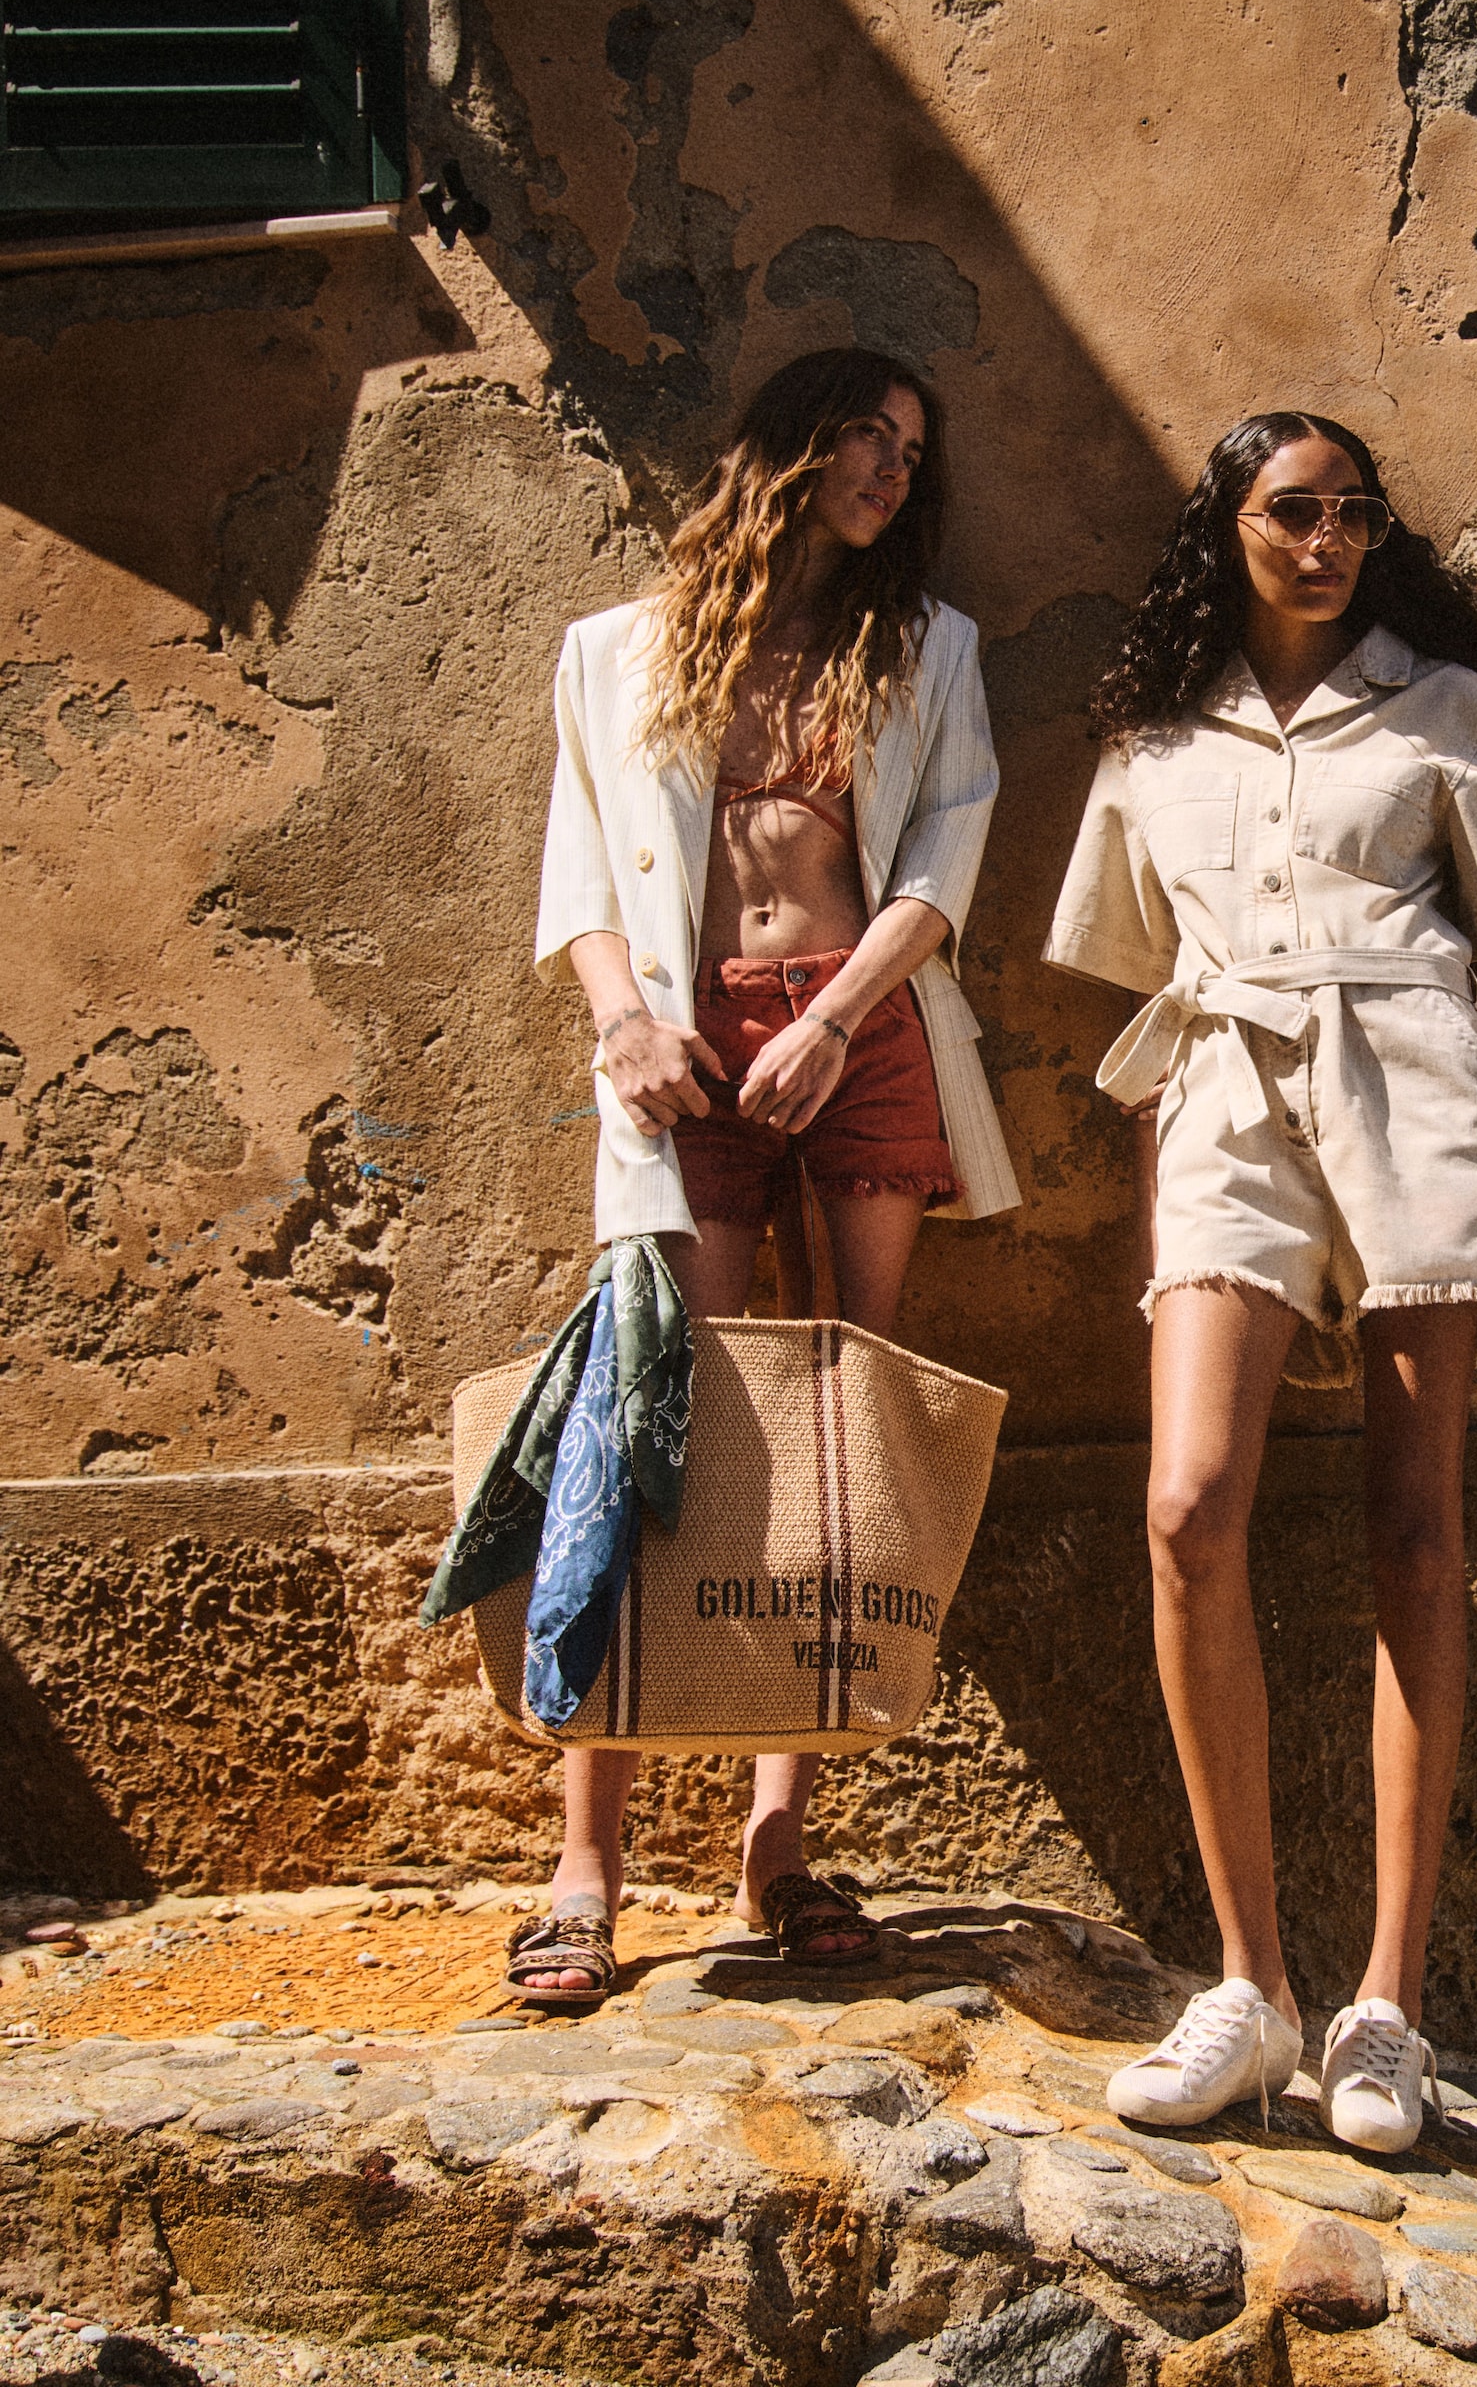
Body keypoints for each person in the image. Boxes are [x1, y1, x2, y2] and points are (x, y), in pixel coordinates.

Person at [1044, 411, 1477, 2149]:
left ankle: (1386, 2011)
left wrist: (1407, 1071)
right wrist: (1173, 1196)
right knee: (1191, 1502)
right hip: (1214, 1096)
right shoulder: (1153, 743)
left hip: (1415, 1089)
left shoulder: (1453, 714)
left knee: (1415, 1525)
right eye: (1294, 510)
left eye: (1356, 511)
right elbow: (1122, 988)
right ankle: (1252, 1987)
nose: (1329, 537)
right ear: (1232, 525)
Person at [510, 346, 1019, 2000]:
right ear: (790, 446)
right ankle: (587, 1863)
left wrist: (838, 1020)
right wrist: (624, 1033)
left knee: (832, 1429)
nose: (889, 467)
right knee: (656, 1418)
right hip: (682, 1044)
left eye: (911, 447)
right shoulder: (619, 648)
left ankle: (776, 1842)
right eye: (866, 434)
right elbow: (580, 866)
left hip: (862, 1029)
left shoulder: (929, 649)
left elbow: (941, 866)